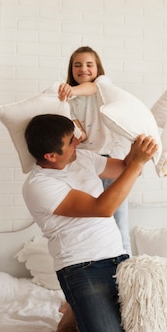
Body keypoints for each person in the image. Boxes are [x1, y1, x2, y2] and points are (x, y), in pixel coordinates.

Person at [22, 114, 158, 332]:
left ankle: (78, 306)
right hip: (81, 267)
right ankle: (76, 304)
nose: (78, 141)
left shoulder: (82, 157)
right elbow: (102, 208)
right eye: (70, 141)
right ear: (51, 156)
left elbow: (124, 169)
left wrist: (136, 152)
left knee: (146, 326)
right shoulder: (39, 185)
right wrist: (138, 164)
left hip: (118, 257)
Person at [57, 46, 132, 254]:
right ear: (71, 69)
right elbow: (81, 135)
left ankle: (126, 272)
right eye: (77, 65)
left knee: (119, 223)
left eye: (89, 64)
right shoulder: (68, 100)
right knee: (92, 225)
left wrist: (71, 90)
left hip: (110, 160)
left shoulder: (102, 84)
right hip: (86, 163)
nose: (83, 69)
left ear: (97, 68)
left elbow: (92, 88)